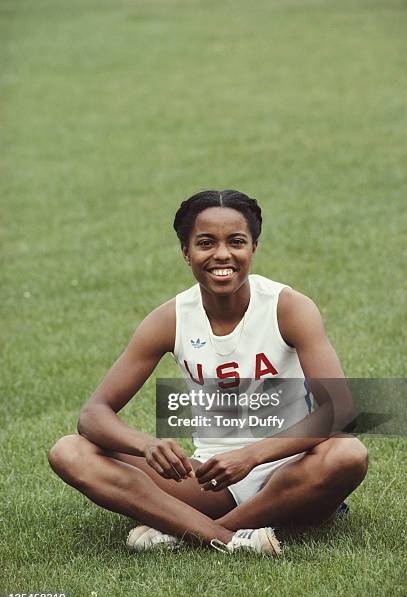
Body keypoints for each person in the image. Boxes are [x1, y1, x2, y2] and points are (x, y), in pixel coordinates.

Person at [48, 189, 368, 556]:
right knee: (70, 451)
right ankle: (232, 539)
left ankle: (190, 533)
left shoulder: (289, 308)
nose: (222, 254)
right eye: (205, 243)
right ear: (186, 252)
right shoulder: (170, 319)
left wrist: (252, 456)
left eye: (236, 242)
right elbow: (93, 415)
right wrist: (147, 444)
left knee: (348, 454)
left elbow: (341, 410)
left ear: (253, 247)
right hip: (210, 481)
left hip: (293, 471)